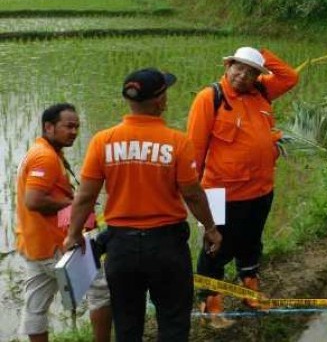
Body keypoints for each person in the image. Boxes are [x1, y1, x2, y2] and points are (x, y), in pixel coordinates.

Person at [64, 70, 221, 342]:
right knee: (173, 322)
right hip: (167, 246)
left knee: (127, 324)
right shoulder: (177, 142)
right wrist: (210, 228)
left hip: (121, 249)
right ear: (159, 101)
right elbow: (193, 195)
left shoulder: (103, 140)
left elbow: (85, 196)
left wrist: (74, 233)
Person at [188, 47, 299, 315]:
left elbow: (290, 77)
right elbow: (194, 150)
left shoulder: (261, 92)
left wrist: (261, 53)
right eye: (239, 67)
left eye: (251, 71)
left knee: (251, 242)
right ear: (228, 66)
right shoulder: (210, 97)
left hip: (261, 189)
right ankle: (210, 300)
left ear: (257, 77)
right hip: (222, 193)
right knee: (216, 247)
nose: (242, 75)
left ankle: (250, 289)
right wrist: (194, 193)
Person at [16, 104, 112, 342]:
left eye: (77, 127)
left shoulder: (40, 151)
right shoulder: (45, 157)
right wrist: (75, 204)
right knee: (101, 291)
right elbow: (34, 200)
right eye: (68, 126)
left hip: (34, 245)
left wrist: (70, 202)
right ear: (48, 127)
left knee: (35, 305)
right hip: (57, 244)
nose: (74, 132)